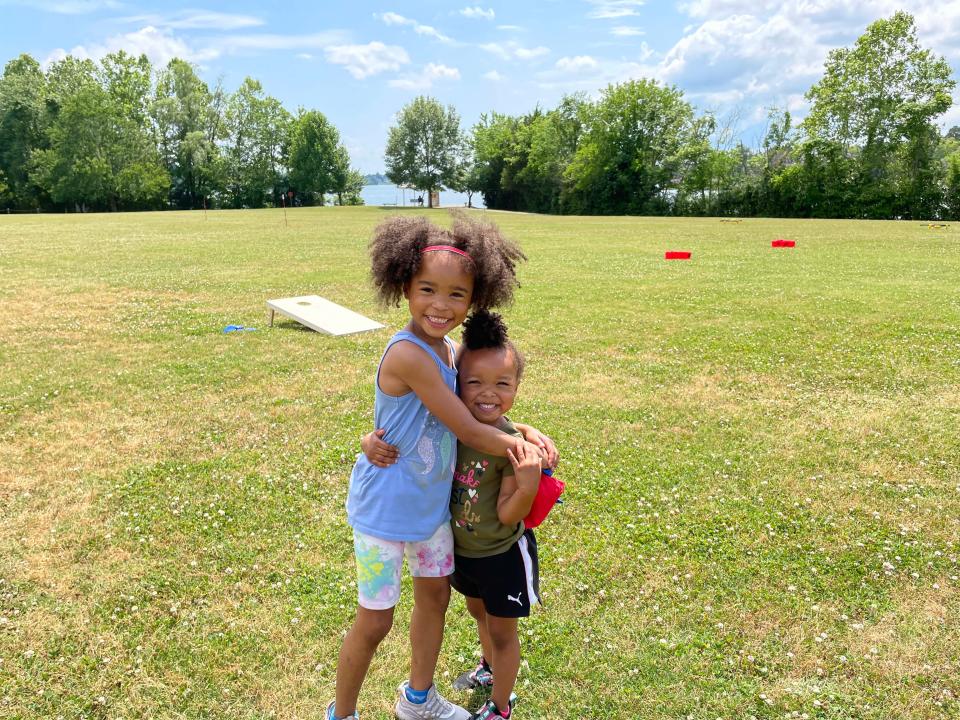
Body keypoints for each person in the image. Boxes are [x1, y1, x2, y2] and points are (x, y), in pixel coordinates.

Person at [328, 214, 556, 720]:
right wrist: (523, 451)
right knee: (374, 621)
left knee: (434, 601)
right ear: (403, 285)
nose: (440, 305)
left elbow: (483, 403)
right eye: (427, 289)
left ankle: (418, 700)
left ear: (474, 299)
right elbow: (470, 431)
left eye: (457, 294)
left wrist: (526, 431)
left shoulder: (450, 350)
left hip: (433, 514)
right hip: (385, 514)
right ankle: (341, 714)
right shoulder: (409, 353)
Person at [447, 309, 542, 720]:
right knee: (476, 611)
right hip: (464, 550)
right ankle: (488, 668)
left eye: (502, 383)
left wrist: (527, 484)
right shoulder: (454, 425)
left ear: (517, 387)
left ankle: (501, 705)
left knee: (503, 632)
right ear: (456, 385)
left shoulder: (512, 448)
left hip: (501, 555)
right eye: (474, 383)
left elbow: (508, 514)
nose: (489, 393)